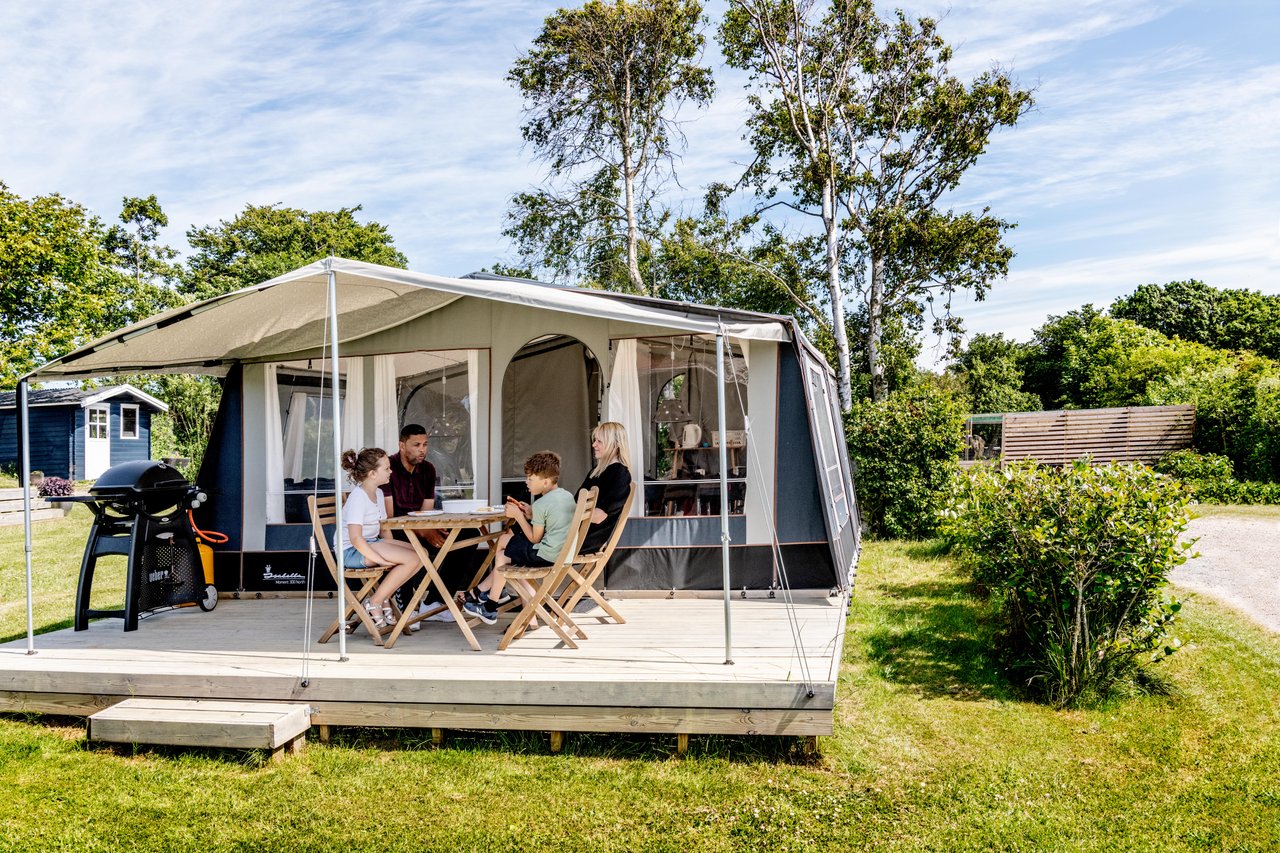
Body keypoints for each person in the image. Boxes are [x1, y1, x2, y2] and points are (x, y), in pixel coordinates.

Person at [463, 450, 575, 626]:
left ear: (545, 481)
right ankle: (491, 604)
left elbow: (534, 538)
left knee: (503, 540)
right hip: (563, 554)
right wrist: (530, 514)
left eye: (530, 478)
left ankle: (490, 601)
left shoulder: (541, 503)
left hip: (544, 554)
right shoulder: (566, 496)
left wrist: (519, 516)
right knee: (502, 556)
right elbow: (553, 521)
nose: (526, 482)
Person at [385, 423, 474, 614]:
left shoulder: (428, 469)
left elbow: (425, 512)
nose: (422, 450)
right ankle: (406, 604)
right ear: (402, 445)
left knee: (468, 536)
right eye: (416, 445)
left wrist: (429, 530)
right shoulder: (388, 468)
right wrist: (423, 531)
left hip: (419, 527)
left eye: (425, 445)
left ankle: (435, 601)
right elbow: (388, 518)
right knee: (408, 543)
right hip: (392, 533)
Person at [336, 447, 423, 630]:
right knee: (411, 559)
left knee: (420, 553)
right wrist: (381, 560)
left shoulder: (379, 493)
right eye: (386, 468)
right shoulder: (358, 498)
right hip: (352, 551)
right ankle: (376, 601)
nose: (391, 471)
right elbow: (355, 538)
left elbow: (383, 530)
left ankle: (383, 598)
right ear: (373, 473)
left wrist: (391, 549)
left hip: (370, 543)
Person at [576, 422, 634, 555]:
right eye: (595, 440)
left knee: (521, 545)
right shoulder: (596, 472)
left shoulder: (619, 474)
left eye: (599, 441)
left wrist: (562, 517)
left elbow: (598, 517)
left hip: (583, 540)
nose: (594, 445)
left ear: (615, 444)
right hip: (573, 536)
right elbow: (575, 504)